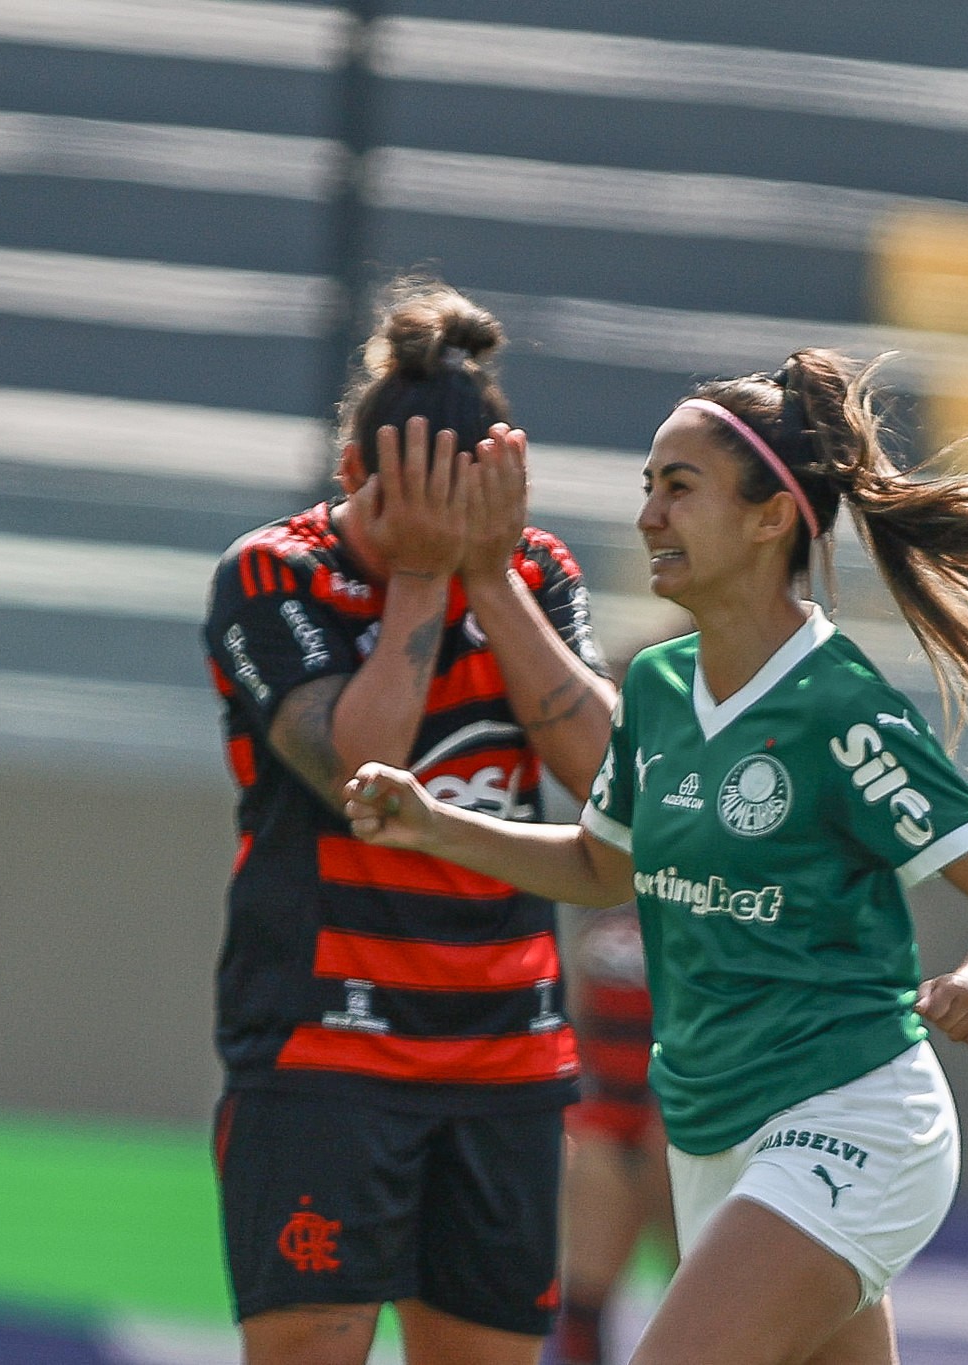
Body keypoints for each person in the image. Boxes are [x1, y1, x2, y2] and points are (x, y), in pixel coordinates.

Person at [340, 348, 968, 1365]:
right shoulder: (657, 688)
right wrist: (433, 824)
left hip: (848, 1120)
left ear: (771, 517)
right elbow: (601, 868)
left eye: (678, 488)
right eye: (647, 488)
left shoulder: (836, 704)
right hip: (712, 1138)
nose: (648, 516)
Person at [202, 279, 617, 1365]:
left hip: (506, 1061)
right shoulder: (274, 574)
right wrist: (425, 580)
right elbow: (360, 765)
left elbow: (611, 781)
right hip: (322, 1052)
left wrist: (489, 575)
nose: (417, 536)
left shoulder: (534, 573)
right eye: (401, 514)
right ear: (351, 476)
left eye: (453, 508)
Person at [554, 907, 676, 1365]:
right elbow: (579, 1010)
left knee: (691, 1278)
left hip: (676, 1114)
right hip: (604, 1114)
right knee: (584, 1290)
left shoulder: (712, 900)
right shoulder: (596, 900)